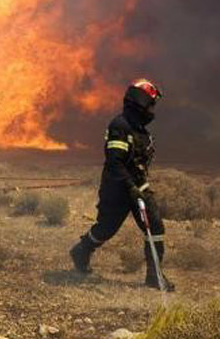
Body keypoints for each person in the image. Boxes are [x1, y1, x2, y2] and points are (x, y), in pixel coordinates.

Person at [69, 78, 174, 291]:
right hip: (116, 189)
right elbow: (114, 162)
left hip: (138, 187)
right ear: (140, 102)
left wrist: (139, 188)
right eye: (150, 104)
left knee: (155, 226)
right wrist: (129, 187)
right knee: (106, 229)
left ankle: (154, 276)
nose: (152, 110)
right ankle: (81, 250)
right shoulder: (120, 126)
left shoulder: (140, 130)